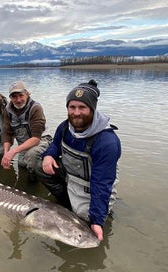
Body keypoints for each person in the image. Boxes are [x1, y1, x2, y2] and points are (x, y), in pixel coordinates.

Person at [38, 79, 121, 242]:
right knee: (39, 166)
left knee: (84, 225)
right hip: (72, 177)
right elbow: (55, 144)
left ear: (92, 109)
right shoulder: (65, 127)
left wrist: (97, 221)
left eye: (82, 107)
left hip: (93, 187)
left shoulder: (107, 142)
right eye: (72, 107)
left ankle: (102, 212)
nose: (76, 113)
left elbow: (101, 183)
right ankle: (65, 203)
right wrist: (49, 155)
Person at [0, 81, 50, 174]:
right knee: (22, 165)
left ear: (27, 94)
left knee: (31, 157)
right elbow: (7, 133)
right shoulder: (7, 110)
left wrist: (13, 151)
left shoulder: (35, 108)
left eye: (21, 95)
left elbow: (36, 139)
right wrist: (6, 153)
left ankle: (36, 178)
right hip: (24, 145)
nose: (18, 100)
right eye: (14, 97)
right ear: (10, 98)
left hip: (41, 141)